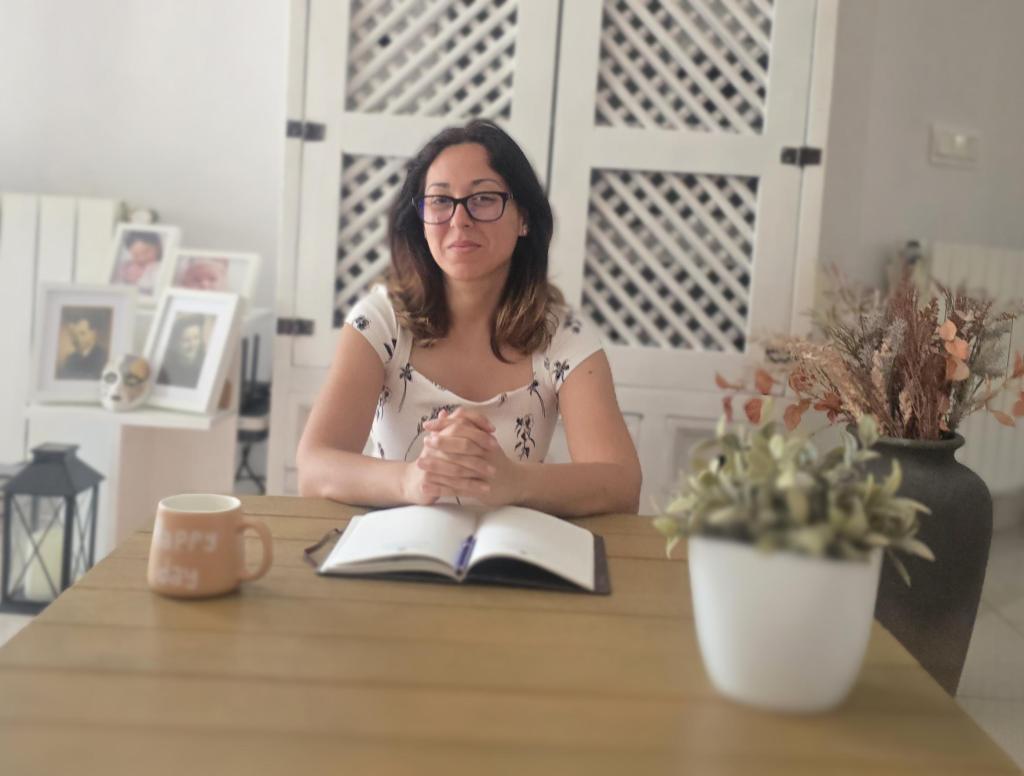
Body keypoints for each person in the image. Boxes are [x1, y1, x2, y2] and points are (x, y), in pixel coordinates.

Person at [297, 120, 641, 516]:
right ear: (421, 220)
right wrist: (413, 478)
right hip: (397, 549)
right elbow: (314, 467)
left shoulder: (562, 334)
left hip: (512, 554)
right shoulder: (380, 320)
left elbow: (621, 483)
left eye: (483, 199)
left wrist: (514, 482)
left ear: (524, 218)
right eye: (441, 201)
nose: (460, 220)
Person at [157, 315, 207, 389]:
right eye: (186, 340)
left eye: (196, 338)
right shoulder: (165, 369)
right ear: (175, 343)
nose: (192, 345)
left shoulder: (207, 364)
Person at [57, 311, 109, 380]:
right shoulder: (71, 359)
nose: (78, 339)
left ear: (93, 334)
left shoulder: (103, 356)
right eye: (75, 335)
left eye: (82, 333)